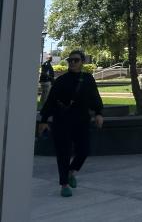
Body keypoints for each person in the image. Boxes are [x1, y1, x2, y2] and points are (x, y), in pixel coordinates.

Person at [38, 50, 103, 197]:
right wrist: (43, 121)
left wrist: (99, 113)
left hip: (82, 121)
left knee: (84, 150)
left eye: (75, 60)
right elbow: (51, 101)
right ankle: (64, 184)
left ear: (82, 62)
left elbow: (95, 97)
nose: (72, 63)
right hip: (62, 121)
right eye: (70, 60)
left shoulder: (88, 79)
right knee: (63, 153)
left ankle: (71, 172)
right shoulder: (61, 80)